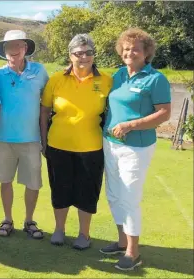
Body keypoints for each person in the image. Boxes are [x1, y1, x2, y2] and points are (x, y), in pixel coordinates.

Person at [100, 28, 171, 271]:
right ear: (121, 52)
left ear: (146, 53)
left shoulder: (155, 78)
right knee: (113, 195)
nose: (130, 52)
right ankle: (122, 242)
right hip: (110, 143)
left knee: (129, 198)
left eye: (136, 49)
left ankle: (133, 252)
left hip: (137, 147)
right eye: (127, 48)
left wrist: (131, 125)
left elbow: (164, 112)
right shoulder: (118, 75)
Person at [39, 34, 112, 249]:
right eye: (78, 53)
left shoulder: (106, 80)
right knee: (59, 190)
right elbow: (44, 111)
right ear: (70, 55)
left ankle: (84, 234)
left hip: (91, 147)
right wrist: (44, 140)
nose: (84, 57)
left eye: (88, 52)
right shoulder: (56, 79)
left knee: (87, 192)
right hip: (58, 145)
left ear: (94, 55)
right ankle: (59, 230)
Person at [0, 30, 49, 239]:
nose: (14, 51)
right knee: (5, 181)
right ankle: (7, 219)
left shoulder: (40, 71)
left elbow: (48, 103)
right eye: (9, 47)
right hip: (2, 139)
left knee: (33, 183)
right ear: (4, 51)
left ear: (25, 48)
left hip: (32, 139)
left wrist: (46, 136)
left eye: (18, 46)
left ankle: (29, 221)